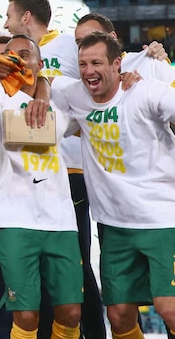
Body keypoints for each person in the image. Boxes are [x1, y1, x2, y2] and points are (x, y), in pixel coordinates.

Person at [0, 36, 83, 339]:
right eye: (10, 55)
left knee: (71, 313)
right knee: (26, 315)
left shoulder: (58, 100)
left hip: (61, 219)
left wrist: (45, 89)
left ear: (39, 63)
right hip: (14, 219)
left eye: (25, 54)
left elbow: (88, 104)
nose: (17, 60)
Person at [52, 32, 175, 339]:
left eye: (96, 62)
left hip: (162, 220)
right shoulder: (76, 95)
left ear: (117, 63)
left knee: (169, 307)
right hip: (115, 226)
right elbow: (39, 78)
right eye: (82, 64)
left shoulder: (145, 91)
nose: (88, 71)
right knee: (118, 315)